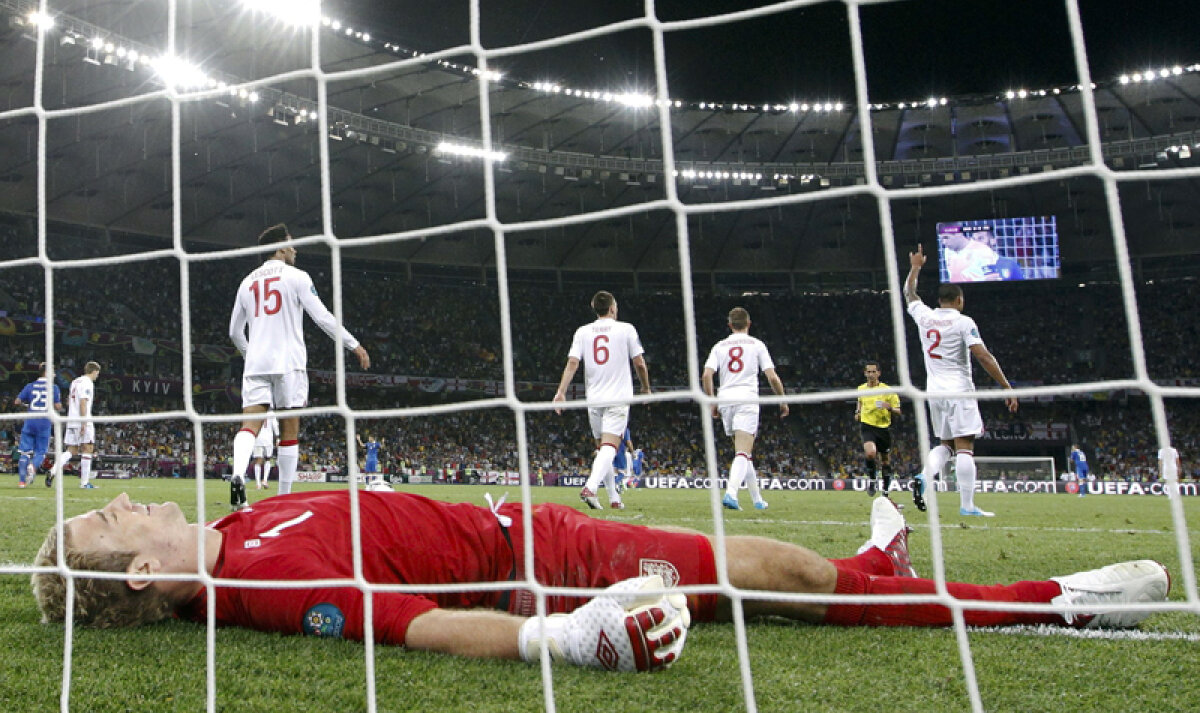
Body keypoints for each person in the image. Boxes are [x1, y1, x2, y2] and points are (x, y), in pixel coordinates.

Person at [33, 492, 1171, 672]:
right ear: (142, 572)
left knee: (797, 573)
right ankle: (1056, 602)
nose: (126, 499)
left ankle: (883, 565)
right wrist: (565, 635)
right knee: (785, 571)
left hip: (538, 521)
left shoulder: (238, 525)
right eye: (111, 519)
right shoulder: (266, 584)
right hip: (546, 568)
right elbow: (415, 627)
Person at [228, 223, 371, 510]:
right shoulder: (297, 277)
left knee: (249, 426)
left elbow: (234, 332)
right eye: (291, 244)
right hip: (288, 362)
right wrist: (353, 344)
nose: (295, 249)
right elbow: (323, 317)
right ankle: (283, 498)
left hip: (256, 363)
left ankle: (238, 475)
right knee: (289, 428)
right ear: (280, 248)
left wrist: (250, 353)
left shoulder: (246, 282)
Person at [904, 245, 1018, 517]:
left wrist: (915, 268)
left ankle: (924, 476)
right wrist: (1006, 386)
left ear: (940, 300)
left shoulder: (925, 317)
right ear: (958, 300)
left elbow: (909, 294)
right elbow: (983, 356)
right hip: (959, 390)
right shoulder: (964, 322)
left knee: (946, 444)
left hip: (934, 392)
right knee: (965, 446)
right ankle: (967, 506)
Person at [553, 291, 650, 510]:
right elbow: (640, 363)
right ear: (613, 308)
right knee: (609, 447)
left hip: (594, 399)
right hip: (617, 398)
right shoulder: (626, 329)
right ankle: (590, 487)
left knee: (603, 449)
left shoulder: (582, 331)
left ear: (594, 308)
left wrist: (561, 392)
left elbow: (572, 363)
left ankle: (614, 499)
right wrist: (645, 388)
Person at [702, 307, 789, 511]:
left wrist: (713, 402)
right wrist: (783, 400)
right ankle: (731, 493)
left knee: (744, 453)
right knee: (742, 452)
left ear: (730, 325)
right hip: (746, 399)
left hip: (725, 400)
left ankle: (757, 500)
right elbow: (772, 377)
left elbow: (706, 375)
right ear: (749, 324)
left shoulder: (720, 346)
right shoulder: (757, 344)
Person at [48, 361, 102, 489]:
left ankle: (53, 470)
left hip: (71, 419)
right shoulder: (87, 383)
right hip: (82, 419)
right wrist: (84, 422)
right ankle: (84, 483)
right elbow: (83, 402)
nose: (97, 376)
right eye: (97, 373)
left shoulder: (75, 381)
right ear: (94, 371)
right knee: (88, 448)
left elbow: (69, 401)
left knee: (71, 450)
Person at [855, 362, 902, 498]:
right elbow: (860, 401)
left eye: (873, 372)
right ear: (865, 373)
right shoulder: (861, 389)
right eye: (868, 372)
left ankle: (885, 490)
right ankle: (872, 479)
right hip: (867, 426)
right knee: (870, 453)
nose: (871, 374)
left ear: (879, 373)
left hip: (883, 428)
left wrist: (889, 407)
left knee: (885, 461)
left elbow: (898, 411)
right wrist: (858, 412)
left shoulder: (887, 390)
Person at [11, 363, 63, 488]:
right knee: (41, 452)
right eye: (53, 372)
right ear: (46, 373)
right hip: (44, 422)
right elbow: (58, 406)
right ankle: (33, 466)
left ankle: (22, 482)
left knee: (24, 453)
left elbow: (17, 401)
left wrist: (27, 405)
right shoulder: (53, 387)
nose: (54, 375)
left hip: (30, 421)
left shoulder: (30, 386)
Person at [251, 411, 279, 489]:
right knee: (268, 459)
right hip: (268, 440)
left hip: (257, 440)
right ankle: (265, 480)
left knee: (258, 461)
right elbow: (275, 426)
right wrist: (277, 438)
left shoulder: (256, 411)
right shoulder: (271, 413)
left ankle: (258, 484)